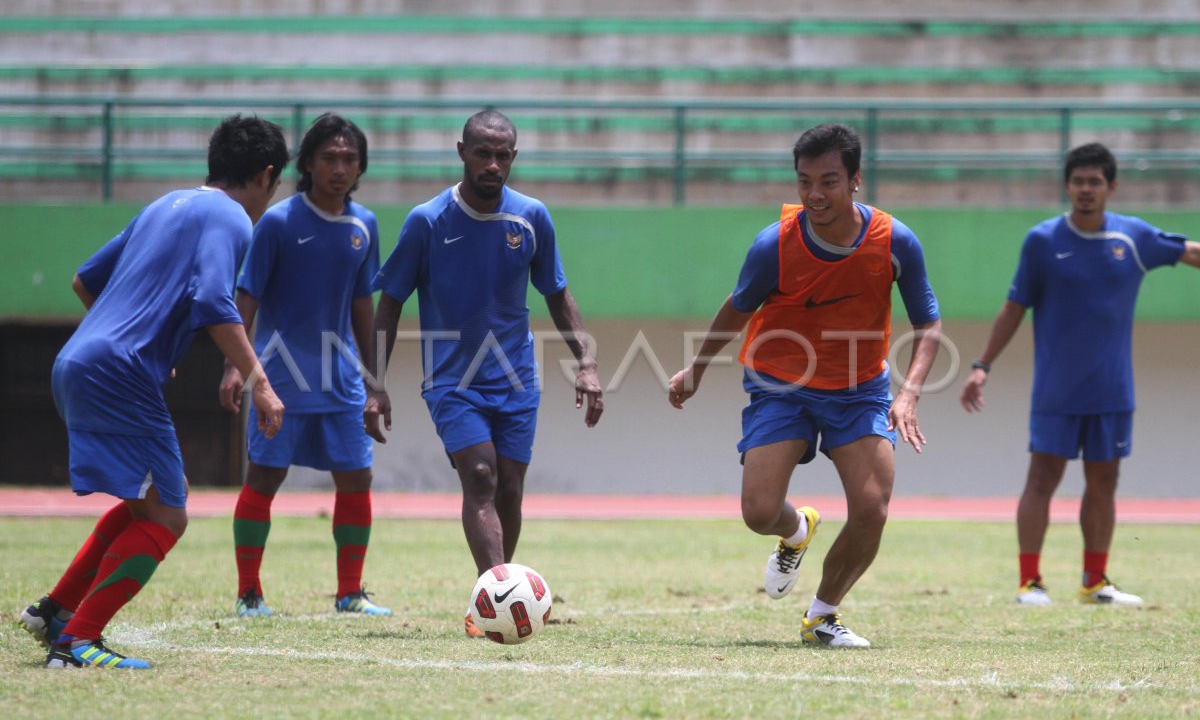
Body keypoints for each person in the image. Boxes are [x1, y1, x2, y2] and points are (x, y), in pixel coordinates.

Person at [18, 115, 290, 668]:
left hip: (77, 360)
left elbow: (84, 280)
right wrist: (260, 382)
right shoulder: (232, 217)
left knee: (154, 500)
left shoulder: (165, 204)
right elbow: (217, 302)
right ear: (266, 176)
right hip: (117, 371)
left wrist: (131, 337)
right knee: (169, 517)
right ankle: (76, 643)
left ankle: (55, 612)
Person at [667, 123, 942, 648]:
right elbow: (737, 308)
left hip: (859, 389)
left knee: (871, 509)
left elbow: (928, 324)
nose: (815, 194)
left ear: (855, 180)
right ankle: (796, 531)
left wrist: (908, 393)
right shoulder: (773, 245)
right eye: (805, 181)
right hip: (780, 385)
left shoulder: (895, 241)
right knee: (758, 513)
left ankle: (822, 616)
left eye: (829, 181)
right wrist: (697, 368)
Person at [365, 109, 603, 638]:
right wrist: (375, 383)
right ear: (461, 152)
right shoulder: (426, 221)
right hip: (452, 381)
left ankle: (492, 599)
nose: (493, 163)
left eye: (503, 155)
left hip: (516, 378)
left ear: (513, 158)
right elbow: (390, 303)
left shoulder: (532, 217)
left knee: (511, 490)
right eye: (483, 152)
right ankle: (495, 600)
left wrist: (585, 363)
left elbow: (557, 292)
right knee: (480, 477)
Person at [961, 142, 1200, 607]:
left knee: (1104, 481)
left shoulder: (1133, 238)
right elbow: (1014, 308)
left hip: (1113, 389)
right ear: (1066, 186)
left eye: (1095, 181)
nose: (1086, 189)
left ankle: (1095, 581)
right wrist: (981, 365)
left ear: (1112, 186)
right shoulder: (1043, 241)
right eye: (1078, 181)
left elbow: (1190, 252)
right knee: (1042, 479)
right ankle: (1029, 582)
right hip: (1056, 390)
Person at [219, 113, 391, 618]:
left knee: (356, 479)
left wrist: (374, 378)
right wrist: (236, 367)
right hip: (281, 379)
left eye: (349, 159)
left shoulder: (366, 225)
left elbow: (364, 303)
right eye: (329, 158)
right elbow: (246, 295)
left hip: (340, 381)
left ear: (360, 167)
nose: (340, 168)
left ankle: (350, 593)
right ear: (309, 164)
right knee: (264, 480)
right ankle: (249, 592)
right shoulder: (277, 222)